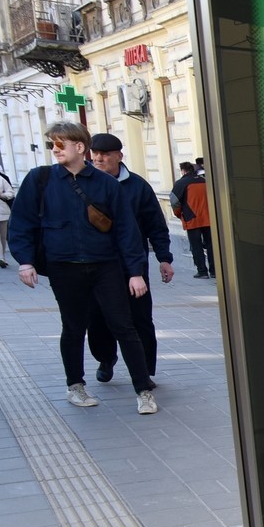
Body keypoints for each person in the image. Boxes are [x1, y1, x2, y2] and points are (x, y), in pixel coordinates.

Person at [9, 120, 159, 415]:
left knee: (124, 326)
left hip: (106, 266)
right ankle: (75, 386)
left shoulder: (106, 184)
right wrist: (25, 261)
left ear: (79, 147)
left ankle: (143, 390)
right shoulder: (40, 180)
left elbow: (126, 230)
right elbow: (22, 222)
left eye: (59, 144)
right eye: (52, 144)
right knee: (73, 327)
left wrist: (136, 272)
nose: (54, 150)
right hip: (64, 267)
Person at [84, 132, 174, 386]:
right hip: (96, 265)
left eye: (105, 154)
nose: (98, 159)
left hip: (132, 264)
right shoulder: (82, 184)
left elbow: (155, 224)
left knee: (140, 319)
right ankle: (106, 358)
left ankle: (144, 371)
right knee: (98, 318)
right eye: (95, 154)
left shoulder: (137, 186)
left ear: (119, 156)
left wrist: (164, 258)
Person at [172, 160, 212, 278]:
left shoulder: (181, 183)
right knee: (211, 245)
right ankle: (215, 271)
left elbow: (174, 202)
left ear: (183, 171)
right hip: (209, 218)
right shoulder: (205, 181)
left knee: (196, 246)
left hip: (191, 218)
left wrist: (179, 214)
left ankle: (202, 271)